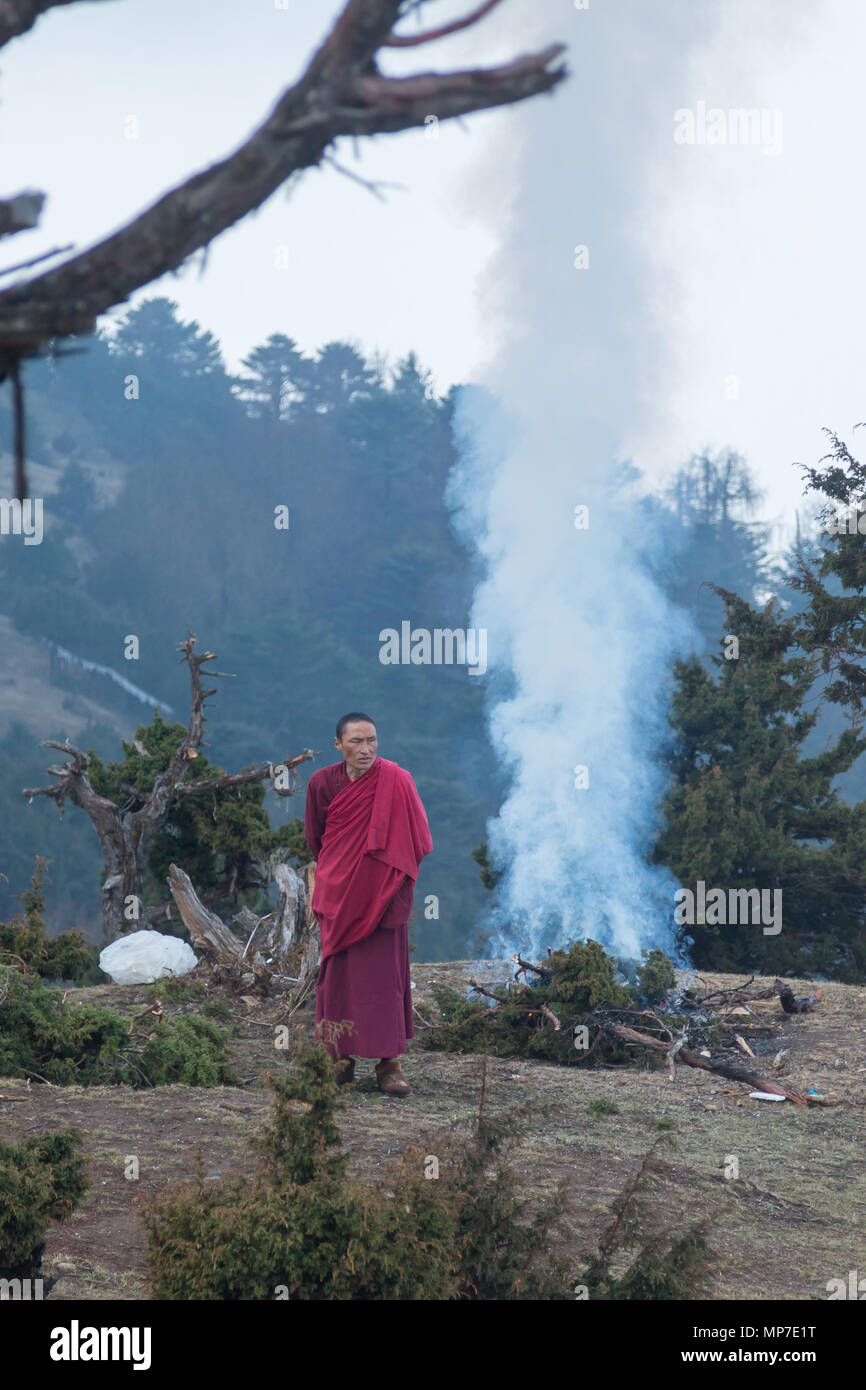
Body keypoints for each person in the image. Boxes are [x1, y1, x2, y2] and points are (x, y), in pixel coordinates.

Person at [304, 713, 432, 1097]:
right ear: (338, 745)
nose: (366, 749)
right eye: (356, 742)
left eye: (372, 740)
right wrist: (343, 873)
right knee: (339, 980)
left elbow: (418, 839)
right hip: (341, 896)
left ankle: (388, 1065)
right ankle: (339, 1063)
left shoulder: (397, 780)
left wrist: (383, 881)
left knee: (384, 982)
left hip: (383, 895)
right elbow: (318, 838)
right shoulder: (321, 783)